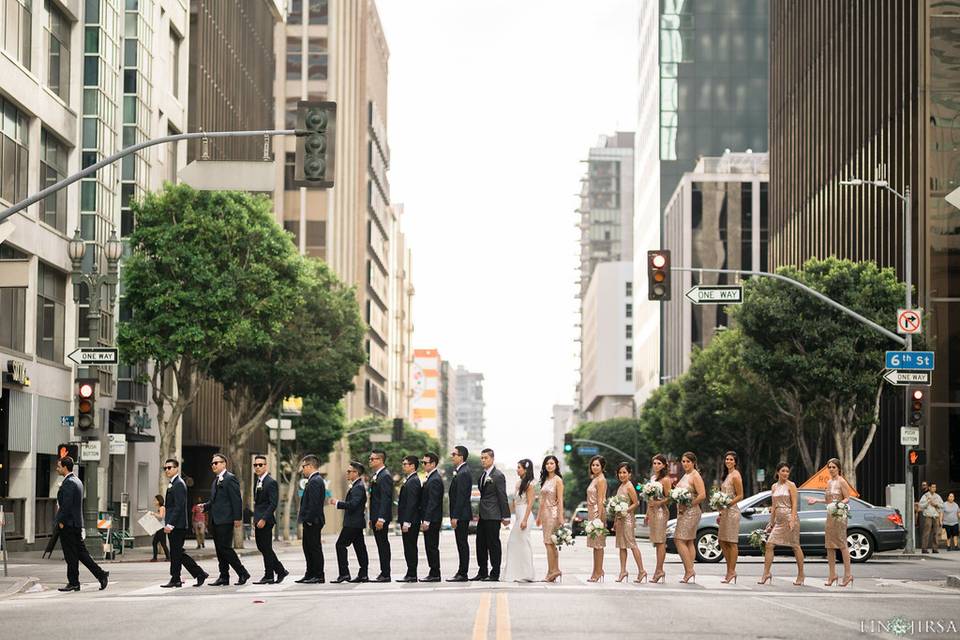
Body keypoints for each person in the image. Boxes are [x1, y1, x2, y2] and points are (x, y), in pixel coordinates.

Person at [54, 457, 109, 592]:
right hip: (75, 524)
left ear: (65, 467)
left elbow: (66, 505)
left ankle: (74, 582)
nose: (57, 468)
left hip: (69, 524)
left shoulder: (69, 483)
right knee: (81, 554)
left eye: (58, 466)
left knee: (70, 555)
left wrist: (60, 521)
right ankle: (101, 574)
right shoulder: (76, 481)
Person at [203, 453, 250, 586]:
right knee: (219, 550)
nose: (214, 465)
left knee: (225, 548)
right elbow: (214, 501)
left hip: (226, 519)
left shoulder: (230, 478)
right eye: (212, 463)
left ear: (224, 464)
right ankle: (224, 576)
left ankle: (242, 573)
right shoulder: (216, 480)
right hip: (216, 520)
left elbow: (236, 499)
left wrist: (237, 518)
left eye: (216, 463)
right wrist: (205, 506)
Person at [161, 459, 209, 588]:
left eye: (169, 467)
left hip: (178, 525)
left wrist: (170, 524)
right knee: (177, 553)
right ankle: (186, 576)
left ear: (176, 468)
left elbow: (179, 506)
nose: (167, 470)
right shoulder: (173, 483)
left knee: (176, 553)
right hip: (175, 524)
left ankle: (185, 576)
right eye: (165, 468)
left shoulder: (179, 484)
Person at [807, 457, 853, 586]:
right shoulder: (828, 482)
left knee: (842, 544)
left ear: (838, 468)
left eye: (834, 467)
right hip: (830, 516)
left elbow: (847, 498)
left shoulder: (842, 481)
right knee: (829, 546)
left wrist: (838, 505)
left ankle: (848, 575)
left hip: (839, 516)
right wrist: (816, 500)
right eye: (830, 467)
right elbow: (828, 501)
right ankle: (832, 575)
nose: (831, 469)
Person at [759, 462, 805, 586]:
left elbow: (795, 503)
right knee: (769, 544)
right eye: (783, 471)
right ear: (778, 472)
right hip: (779, 520)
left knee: (795, 546)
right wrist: (771, 522)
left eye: (787, 471)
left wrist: (792, 520)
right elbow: (773, 506)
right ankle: (766, 573)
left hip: (790, 517)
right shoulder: (774, 486)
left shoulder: (792, 485)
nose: (785, 473)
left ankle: (801, 575)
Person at [471, 448, 510, 582]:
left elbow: (502, 496)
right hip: (483, 514)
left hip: (493, 515)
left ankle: (494, 573)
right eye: (481, 458)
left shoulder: (498, 475)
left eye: (485, 458)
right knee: (480, 544)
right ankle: (482, 572)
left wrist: (506, 516)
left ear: (492, 459)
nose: (483, 460)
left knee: (493, 545)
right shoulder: (482, 475)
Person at [330, 461, 369, 583]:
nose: (347, 473)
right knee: (360, 548)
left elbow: (352, 505)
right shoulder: (357, 486)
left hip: (353, 523)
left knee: (340, 545)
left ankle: (344, 574)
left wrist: (337, 503)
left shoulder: (358, 487)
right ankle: (363, 574)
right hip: (356, 523)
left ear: (356, 473)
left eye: (349, 471)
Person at [252, 455, 287, 584]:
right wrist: (255, 518)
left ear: (265, 466)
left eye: (260, 465)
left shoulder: (271, 482)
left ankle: (269, 575)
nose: (257, 467)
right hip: (258, 519)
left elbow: (273, 504)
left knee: (266, 548)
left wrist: (263, 519)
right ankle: (280, 570)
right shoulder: (258, 481)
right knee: (262, 547)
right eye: (255, 465)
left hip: (266, 521)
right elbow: (258, 503)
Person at [674, 451, 705, 584]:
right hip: (683, 512)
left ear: (693, 463)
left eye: (688, 461)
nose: (685, 464)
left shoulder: (695, 475)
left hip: (691, 512)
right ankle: (689, 570)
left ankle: (689, 570)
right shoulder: (685, 475)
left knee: (678, 540)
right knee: (689, 541)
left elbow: (702, 495)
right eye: (683, 461)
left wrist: (687, 506)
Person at [503, 459, 535, 583]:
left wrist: (525, 520)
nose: (517, 470)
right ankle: (516, 572)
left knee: (524, 543)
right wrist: (508, 517)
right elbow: (514, 502)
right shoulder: (518, 483)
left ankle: (527, 573)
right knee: (513, 543)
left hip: (525, 516)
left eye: (519, 467)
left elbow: (531, 503)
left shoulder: (530, 485)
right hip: (518, 516)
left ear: (525, 469)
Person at [613, 462, 646, 583]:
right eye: (620, 473)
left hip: (628, 519)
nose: (622, 475)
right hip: (621, 519)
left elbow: (636, 503)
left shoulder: (629, 486)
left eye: (624, 472)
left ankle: (642, 571)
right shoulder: (621, 486)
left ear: (629, 474)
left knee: (632, 544)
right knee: (622, 546)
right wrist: (616, 520)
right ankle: (623, 571)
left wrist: (625, 511)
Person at [296, 454, 326, 583]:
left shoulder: (315, 480)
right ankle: (310, 573)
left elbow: (314, 504)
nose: (302, 469)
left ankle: (318, 575)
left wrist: (308, 519)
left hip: (313, 521)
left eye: (303, 466)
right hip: (311, 520)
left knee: (314, 548)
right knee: (307, 547)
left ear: (310, 466)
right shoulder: (314, 480)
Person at [446, 445, 473, 582]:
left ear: (461, 456)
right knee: (461, 543)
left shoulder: (463, 472)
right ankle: (462, 571)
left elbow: (461, 497)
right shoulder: (461, 471)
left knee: (462, 543)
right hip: (460, 514)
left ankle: (463, 573)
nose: (452, 456)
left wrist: (455, 516)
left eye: (454, 454)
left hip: (461, 515)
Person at [536, 455, 564, 583]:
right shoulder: (545, 479)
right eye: (547, 463)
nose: (549, 465)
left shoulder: (558, 480)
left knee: (549, 543)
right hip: (545, 515)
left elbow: (560, 500)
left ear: (556, 465)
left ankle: (553, 571)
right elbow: (541, 501)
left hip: (553, 514)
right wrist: (538, 516)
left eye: (552, 463)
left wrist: (561, 517)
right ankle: (552, 571)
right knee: (550, 544)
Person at [717, 451, 744, 584]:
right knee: (722, 541)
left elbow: (740, 495)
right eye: (726, 459)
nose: (728, 461)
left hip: (733, 512)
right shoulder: (727, 475)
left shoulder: (736, 475)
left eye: (731, 459)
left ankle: (731, 571)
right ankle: (729, 570)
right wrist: (720, 508)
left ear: (735, 462)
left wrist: (727, 503)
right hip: (725, 512)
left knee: (732, 542)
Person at [368, 449, 393, 582]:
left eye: (373, 459)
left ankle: (385, 574)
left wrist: (381, 518)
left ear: (380, 460)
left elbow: (386, 499)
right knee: (380, 544)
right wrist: (371, 518)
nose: (370, 461)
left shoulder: (385, 476)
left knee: (383, 545)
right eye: (370, 459)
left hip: (381, 518)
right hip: (376, 517)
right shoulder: (377, 475)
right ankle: (383, 572)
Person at [646, 454, 672, 584]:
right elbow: (649, 497)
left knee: (660, 541)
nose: (656, 465)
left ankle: (659, 570)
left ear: (664, 465)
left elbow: (669, 497)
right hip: (652, 512)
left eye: (659, 463)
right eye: (654, 463)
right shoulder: (652, 478)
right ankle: (658, 570)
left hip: (661, 512)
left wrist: (659, 503)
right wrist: (647, 513)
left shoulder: (666, 480)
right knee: (656, 542)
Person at [396, 456, 423, 582]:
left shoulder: (413, 481)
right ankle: (410, 572)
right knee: (408, 547)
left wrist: (407, 521)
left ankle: (412, 574)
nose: (403, 466)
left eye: (406, 464)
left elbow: (412, 503)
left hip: (411, 521)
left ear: (412, 466)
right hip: (409, 520)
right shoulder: (410, 479)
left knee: (410, 547)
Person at [419, 452, 444, 581]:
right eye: (422, 462)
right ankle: (433, 572)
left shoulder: (435, 479)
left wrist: (427, 520)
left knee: (432, 546)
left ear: (433, 464)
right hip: (431, 518)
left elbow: (433, 502)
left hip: (432, 519)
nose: (423, 465)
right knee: (430, 546)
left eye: (425, 463)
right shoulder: (430, 477)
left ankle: (435, 573)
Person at [585, 455, 608, 583]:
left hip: (597, 513)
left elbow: (600, 500)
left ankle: (598, 571)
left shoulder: (601, 480)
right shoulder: (594, 479)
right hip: (591, 512)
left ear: (602, 467)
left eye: (597, 465)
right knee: (595, 545)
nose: (594, 467)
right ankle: (597, 570)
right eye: (593, 465)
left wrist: (598, 517)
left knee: (598, 544)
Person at [918, 482, 944, 554]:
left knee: (936, 533)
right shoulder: (925, 496)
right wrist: (928, 502)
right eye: (932, 487)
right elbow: (920, 505)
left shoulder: (938, 496)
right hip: (928, 516)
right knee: (926, 533)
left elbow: (942, 506)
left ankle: (935, 548)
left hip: (936, 516)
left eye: (935, 487)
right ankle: (924, 548)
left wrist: (936, 504)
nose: (934, 488)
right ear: (929, 488)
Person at [151, 494, 169, 562]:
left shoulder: (161, 508)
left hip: (161, 528)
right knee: (158, 543)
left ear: (159, 501)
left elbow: (161, 516)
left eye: (155, 500)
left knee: (158, 543)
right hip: (160, 527)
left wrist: (154, 514)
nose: (154, 501)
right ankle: (166, 557)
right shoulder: (160, 508)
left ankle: (156, 558)